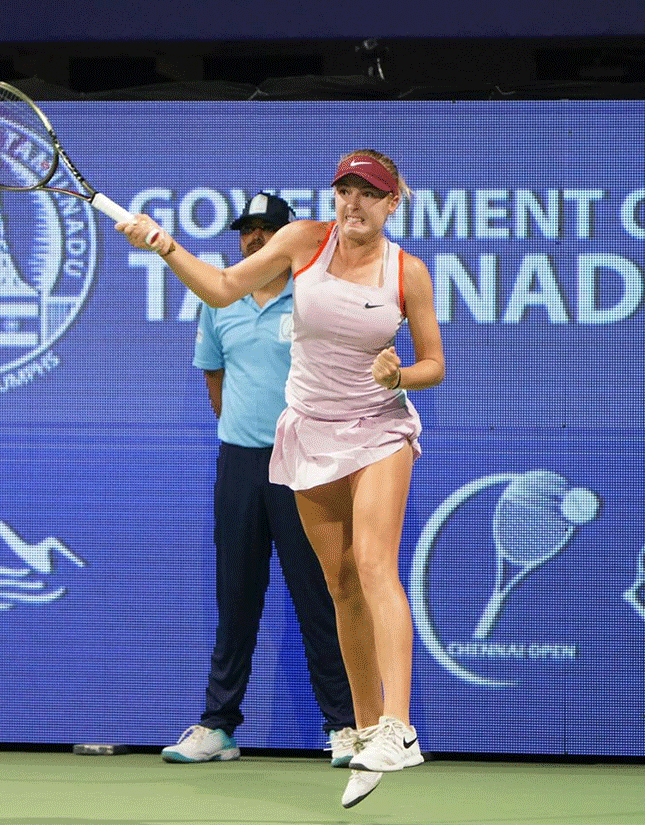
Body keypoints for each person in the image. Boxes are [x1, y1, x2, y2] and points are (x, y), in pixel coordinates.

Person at [120, 151, 445, 809]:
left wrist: (400, 376)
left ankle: (399, 726)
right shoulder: (302, 241)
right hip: (310, 431)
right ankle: (360, 731)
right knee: (340, 582)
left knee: (375, 563)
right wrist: (163, 244)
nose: (354, 204)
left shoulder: (407, 272)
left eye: (369, 194)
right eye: (345, 191)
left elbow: (434, 360)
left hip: (379, 427)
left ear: (392, 204)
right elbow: (219, 288)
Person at [161, 192, 357, 771]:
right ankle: (219, 726)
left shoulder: (316, 296)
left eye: (268, 230)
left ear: (289, 238)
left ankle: (345, 727)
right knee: (236, 597)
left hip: (307, 465)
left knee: (318, 598)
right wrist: (246, 430)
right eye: (248, 231)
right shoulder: (218, 301)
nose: (255, 239)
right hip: (241, 465)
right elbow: (215, 381)